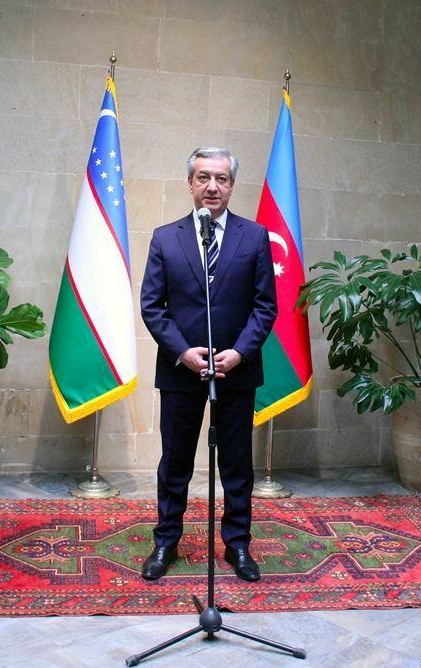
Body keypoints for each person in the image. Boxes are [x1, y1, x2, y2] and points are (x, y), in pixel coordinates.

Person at [139, 147, 277, 582]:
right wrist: (183, 351)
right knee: (174, 462)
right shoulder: (166, 238)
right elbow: (152, 306)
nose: (212, 186)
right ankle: (166, 541)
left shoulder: (254, 237)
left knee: (236, 464)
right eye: (203, 177)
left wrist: (240, 352)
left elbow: (265, 306)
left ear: (232, 185)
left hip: (236, 370)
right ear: (190, 183)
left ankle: (238, 544)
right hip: (181, 371)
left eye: (221, 178)